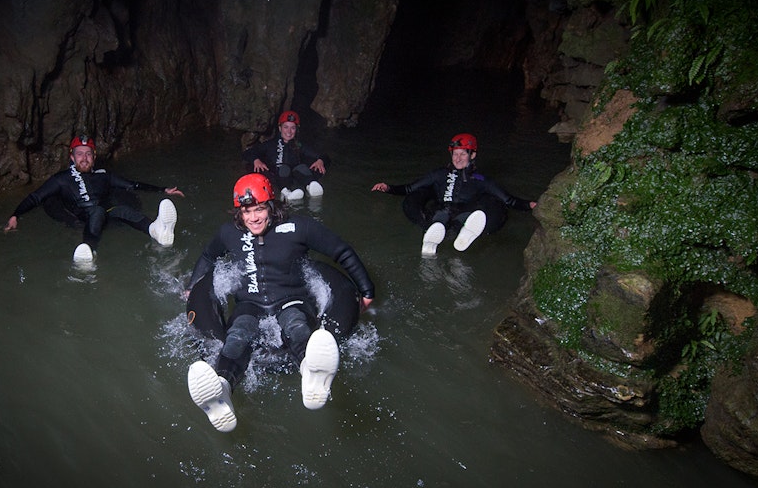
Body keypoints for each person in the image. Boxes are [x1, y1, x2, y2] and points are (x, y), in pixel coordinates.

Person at [184, 173, 374, 432]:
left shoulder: (299, 227)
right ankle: (223, 388)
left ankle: (312, 374)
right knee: (237, 335)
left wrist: (366, 290)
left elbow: (342, 251)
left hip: (291, 298)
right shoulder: (228, 233)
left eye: (260, 209)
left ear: (271, 206)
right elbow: (208, 256)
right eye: (247, 211)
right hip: (249, 303)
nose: (253, 218)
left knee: (295, 325)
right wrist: (193, 287)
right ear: (239, 212)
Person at [4, 135, 185, 264]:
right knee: (97, 211)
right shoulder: (61, 179)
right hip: (81, 219)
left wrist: (163, 190)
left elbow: (132, 185)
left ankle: (157, 231)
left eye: (88, 154)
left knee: (121, 209)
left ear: (94, 157)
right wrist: (15, 215)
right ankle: (89, 250)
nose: (84, 158)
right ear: (72, 156)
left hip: (104, 216)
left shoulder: (103, 175)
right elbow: (36, 197)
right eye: (80, 153)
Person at [371, 133, 537, 257]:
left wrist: (529, 205)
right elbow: (410, 189)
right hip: (440, 212)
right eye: (455, 154)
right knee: (439, 215)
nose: (458, 158)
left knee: (479, 211)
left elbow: (508, 200)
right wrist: (388, 188)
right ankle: (431, 236)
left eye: (463, 154)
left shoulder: (481, 180)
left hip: (464, 215)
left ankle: (464, 234)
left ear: (472, 155)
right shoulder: (439, 174)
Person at [241, 110, 328, 201]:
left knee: (301, 167)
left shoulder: (299, 145)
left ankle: (311, 185)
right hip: (275, 176)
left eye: (293, 128)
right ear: (280, 128)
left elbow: (322, 155)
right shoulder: (270, 144)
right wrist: (256, 160)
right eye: (286, 127)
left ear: (297, 129)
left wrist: (320, 160)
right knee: (283, 168)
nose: (289, 131)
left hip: (293, 177)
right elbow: (248, 152)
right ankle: (285, 193)